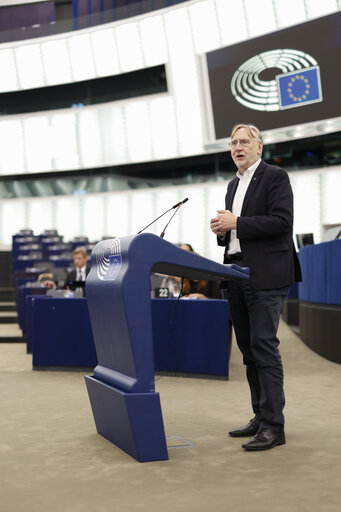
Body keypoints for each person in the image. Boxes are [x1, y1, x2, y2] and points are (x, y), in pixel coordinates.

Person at [210, 123, 302, 451]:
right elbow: (236, 231)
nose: (238, 147)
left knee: (264, 346)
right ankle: (260, 417)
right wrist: (222, 229)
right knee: (248, 351)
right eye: (233, 142)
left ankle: (275, 427)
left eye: (244, 141)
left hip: (266, 273)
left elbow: (282, 223)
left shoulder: (276, 177)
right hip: (235, 272)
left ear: (259, 147)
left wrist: (237, 223)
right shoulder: (232, 186)